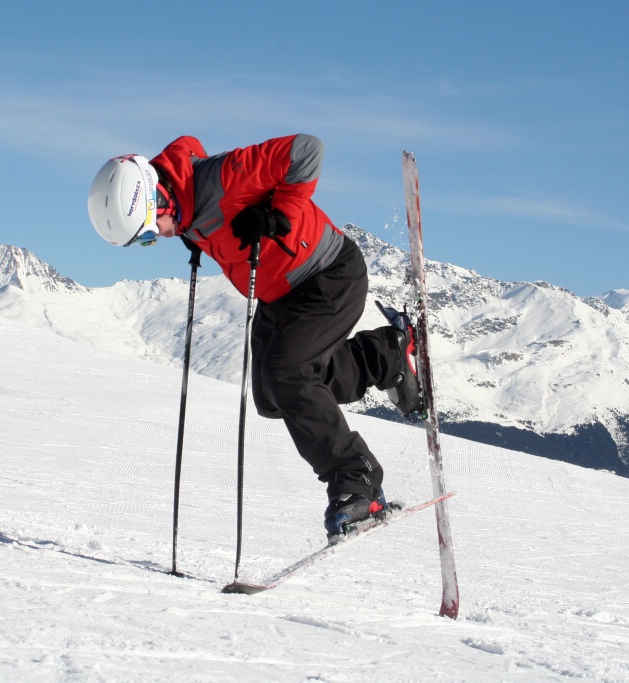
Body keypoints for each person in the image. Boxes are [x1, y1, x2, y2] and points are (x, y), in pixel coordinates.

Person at [87, 134, 424, 539]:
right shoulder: (181, 207)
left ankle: (358, 481)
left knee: (290, 374)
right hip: (280, 293)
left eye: (147, 231)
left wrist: (278, 212)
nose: (156, 238)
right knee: (271, 395)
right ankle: (385, 356)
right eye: (143, 240)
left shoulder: (222, 179)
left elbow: (307, 150)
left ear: (157, 195)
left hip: (328, 274)